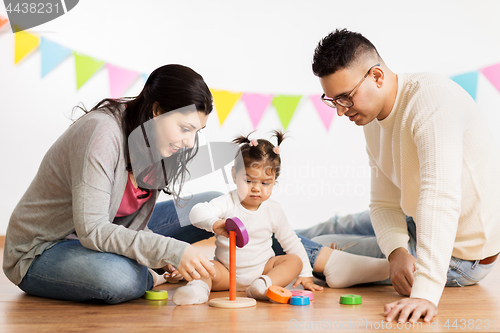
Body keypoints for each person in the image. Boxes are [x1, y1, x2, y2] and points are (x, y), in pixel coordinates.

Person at [311, 28, 500, 323]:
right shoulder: (371, 119)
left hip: (462, 256)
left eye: (346, 97)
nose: (339, 111)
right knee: (332, 224)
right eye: (332, 100)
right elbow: (384, 204)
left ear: (377, 76)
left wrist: (424, 293)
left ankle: (253, 240)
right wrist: (396, 250)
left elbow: (439, 198)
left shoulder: (431, 101)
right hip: (417, 221)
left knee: (320, 245)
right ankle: (253, 227)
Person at [2, 64, 219, 304]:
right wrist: (169, 252)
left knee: (215, 204)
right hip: (43, 249)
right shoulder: (102, 132)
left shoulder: (157, 141)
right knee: (119, 278)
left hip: (110, 234)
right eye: (185, 128)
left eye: (196, 131)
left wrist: (166, 254)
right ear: (157, 111)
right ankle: (150, 274)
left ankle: (263, 269)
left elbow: (132, 224)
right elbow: (93, 229)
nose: (190, 142)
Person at [172, 131, 324, 305]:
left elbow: (291, 242)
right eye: (249, 181)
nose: (256, 188)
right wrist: (214, 223)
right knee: (204, 267)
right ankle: (196, 291)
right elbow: (196, 212)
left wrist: (305, 273)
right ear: (234, 175)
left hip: (263, 271)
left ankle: (262, 286)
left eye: (265, 183)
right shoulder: (227, 202)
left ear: (275, 180)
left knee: (294, 261)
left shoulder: (273, 210)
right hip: (226, 273)